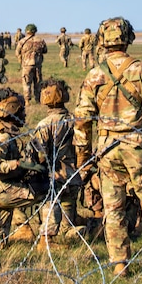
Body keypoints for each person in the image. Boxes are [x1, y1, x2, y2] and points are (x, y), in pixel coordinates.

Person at [74, 16, 142, 278]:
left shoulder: (94, 75)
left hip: (107, 149)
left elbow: (82, 120)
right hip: (138, 146)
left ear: (103, 40)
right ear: (128, 38)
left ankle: (120, 263)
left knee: (114, 207)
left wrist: (83, 156)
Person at [0, 88, 45, 248]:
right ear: (12, 111)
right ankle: (46, 239)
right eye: (22, 110)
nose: (25, 114)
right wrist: (17, 165)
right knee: (48, 191)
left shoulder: (0, 133)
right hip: (1, 191)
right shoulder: (3, 138)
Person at [30, 78, 82, 249]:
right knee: (67, 205)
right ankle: (68, 228)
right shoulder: (74, 120)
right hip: (73, 175)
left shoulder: (44, 125)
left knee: (50, 200)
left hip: (55, 175)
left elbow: (38, 154)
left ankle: (46, 239)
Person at [15, 24, 48, 103]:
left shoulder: (22, 41)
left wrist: (21, 59)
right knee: (38, 83)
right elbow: (45, 50)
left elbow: (17, 52)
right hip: (37, 65)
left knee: (27, 83)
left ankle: (27, 101)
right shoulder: (40, 40)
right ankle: (38, 99)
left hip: (27, 66)